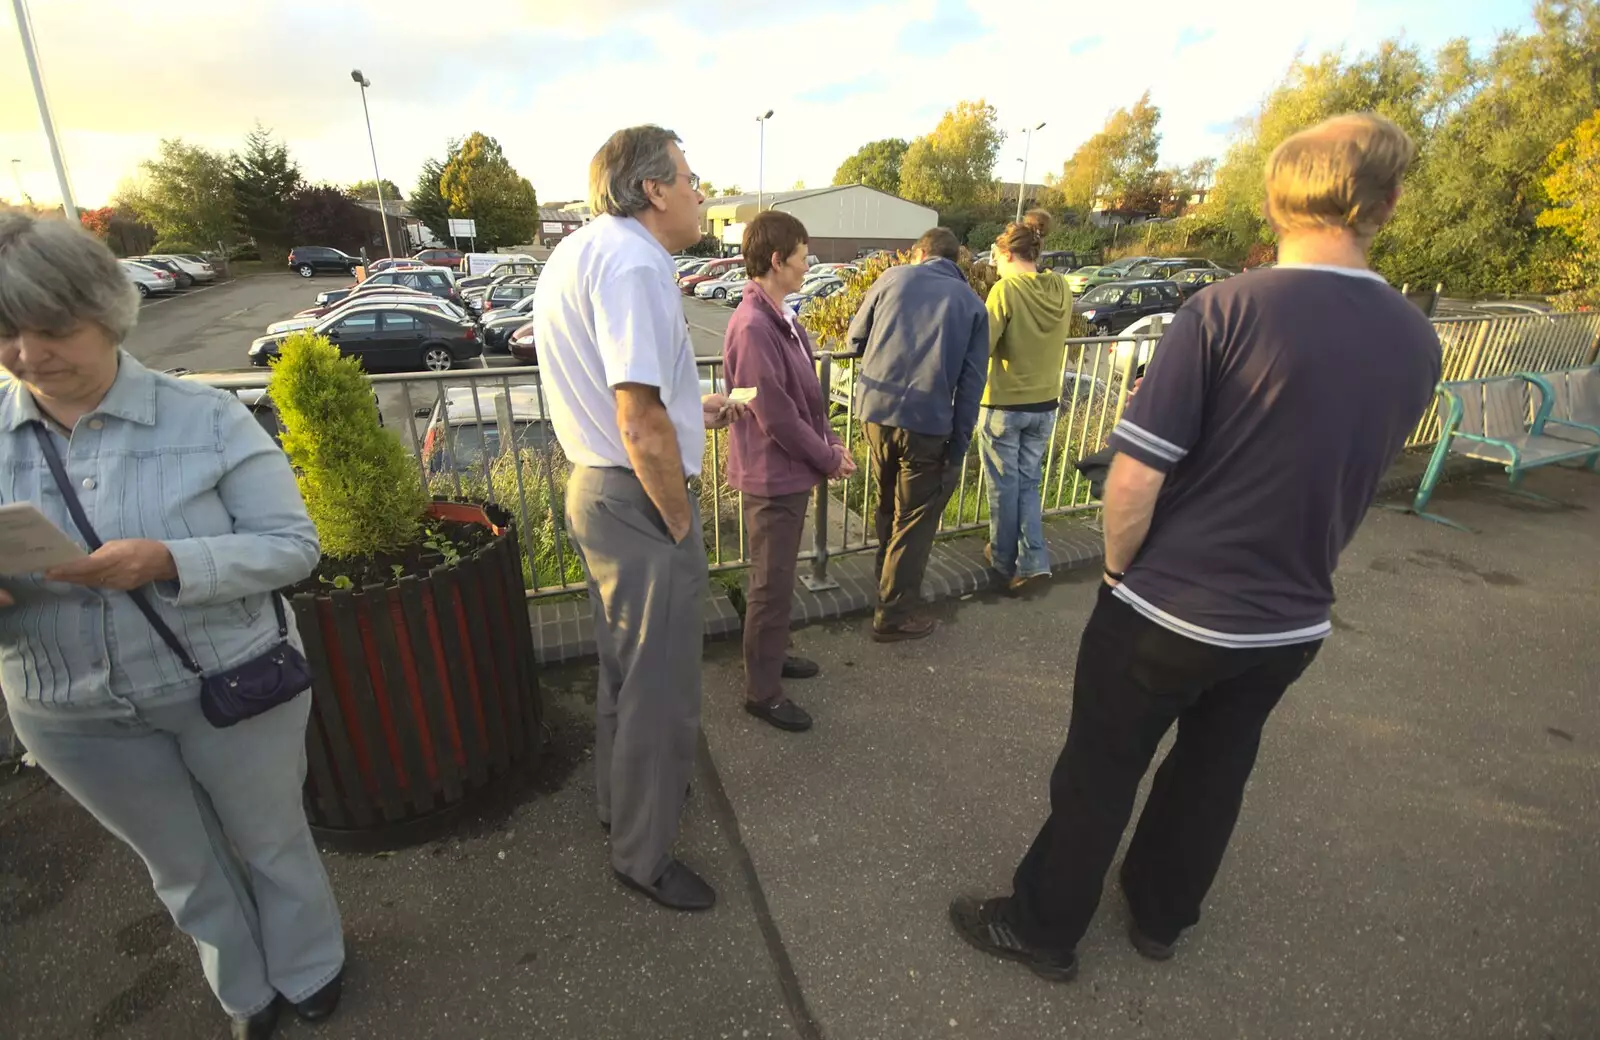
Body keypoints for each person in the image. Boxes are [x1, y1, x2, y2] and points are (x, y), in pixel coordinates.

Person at [949, 113, 1442, 980]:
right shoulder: (1417, 338)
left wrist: (1115, 573)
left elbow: (1135, 481)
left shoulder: (1225, 310)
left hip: (1170, 609)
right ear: (1389, 203)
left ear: (1273, 200)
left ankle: (1044, 928)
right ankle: (1160, 917)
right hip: (1291, 621)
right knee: (1215, 772)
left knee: (1102, 770)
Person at [0, 212, 345, 1040]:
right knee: (181, 867)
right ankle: (246, 991)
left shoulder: (207, 417)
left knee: (271, 842)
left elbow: (293, 547)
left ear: (106, 309)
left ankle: (311, 966)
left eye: (51, 328)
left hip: (224, 678)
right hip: (68, 708)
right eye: (5, 331)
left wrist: (168, 561)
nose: (27, 354)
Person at [532, 125, 747, 913]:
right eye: (689, 177)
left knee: (626, 672)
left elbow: (636, 401)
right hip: (635, 497)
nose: (698, 191)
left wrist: (699, 412)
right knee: (663, 692)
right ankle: (643, 856)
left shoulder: (587, 249)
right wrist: (682, 519)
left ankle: (621, 808)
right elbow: (638, 416)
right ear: (653, 190)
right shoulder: (636, 262)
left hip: (598, 487)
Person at [722, 211, 855, 733]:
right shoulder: (755, 326)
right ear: (777, 260)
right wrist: (826, 457)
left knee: (775, 583)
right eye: (802, 256)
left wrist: (832, 443)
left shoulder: (782, 317)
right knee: (770, 586)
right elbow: (775, 413)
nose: (807, 265)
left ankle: (772, 659)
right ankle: (762, 691)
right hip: (771, 477)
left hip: (788, 473)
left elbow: (808, 401)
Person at [847, 227, 988, 642]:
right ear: (956, 259)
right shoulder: (973, 305)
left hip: (875, 413)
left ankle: (884, 582)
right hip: (927, 423)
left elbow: (855, 339)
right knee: (914, 519)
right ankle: (893, 613)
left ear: (919, 253)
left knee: (886, 500)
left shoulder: (891, 278)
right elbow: (971, 384)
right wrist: (959, 447)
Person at [977, 210, 1072, 592]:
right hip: (1046, 403)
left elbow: (981, 346)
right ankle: (1033, 560)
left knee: (1003, 485)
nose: (995, 268)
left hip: (1004, 404)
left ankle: (1004, 561)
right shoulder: (1061, 287)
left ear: (1009, 255)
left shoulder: (1006, 291)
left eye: (997, 259)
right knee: (1028, 484)